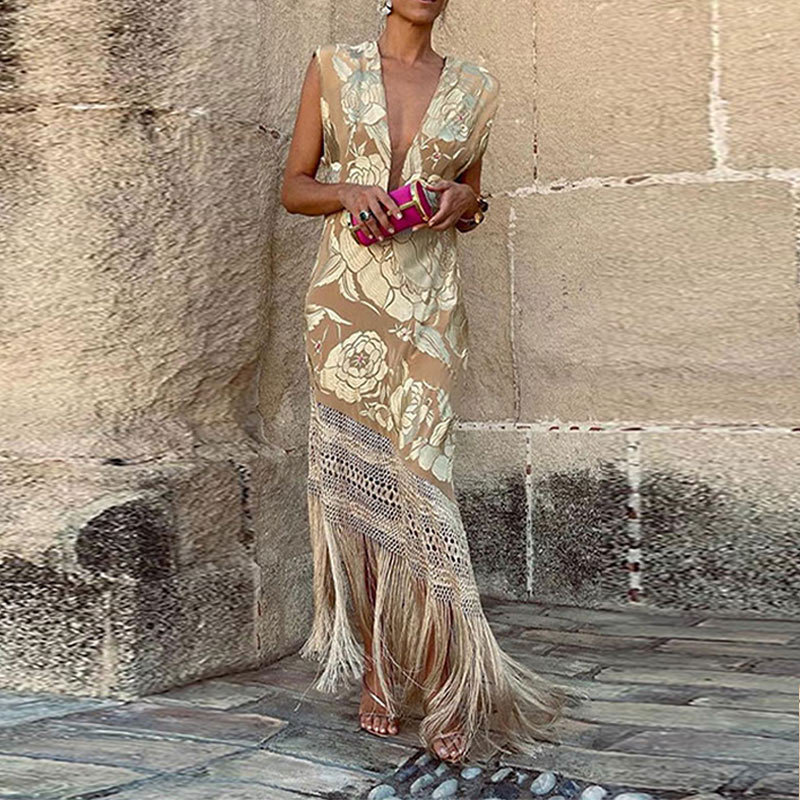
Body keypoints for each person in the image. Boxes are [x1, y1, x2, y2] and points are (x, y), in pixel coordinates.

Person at [280, 0, 565, 764]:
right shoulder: (330, 67)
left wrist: (469, 201)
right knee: (367, 495)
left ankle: (448, 676)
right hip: (344, 306)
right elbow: (294, 187)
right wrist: (347, 192)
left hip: (430, 310)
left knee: (424, 483)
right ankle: (382, 664)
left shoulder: (476, 87)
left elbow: (470, 203)